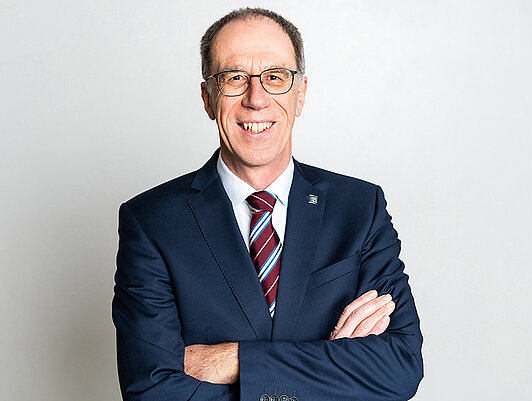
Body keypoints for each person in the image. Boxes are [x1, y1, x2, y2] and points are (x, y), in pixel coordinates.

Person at [112, 8, 423, 401]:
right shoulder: (151, 222)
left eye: (275, 77)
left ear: (300, 94)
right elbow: (152, 390)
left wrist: (236, 360)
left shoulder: (360, 208)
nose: (256, 99)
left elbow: (400, 367)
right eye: (234, 78)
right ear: (208, 98)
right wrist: (332, 364)